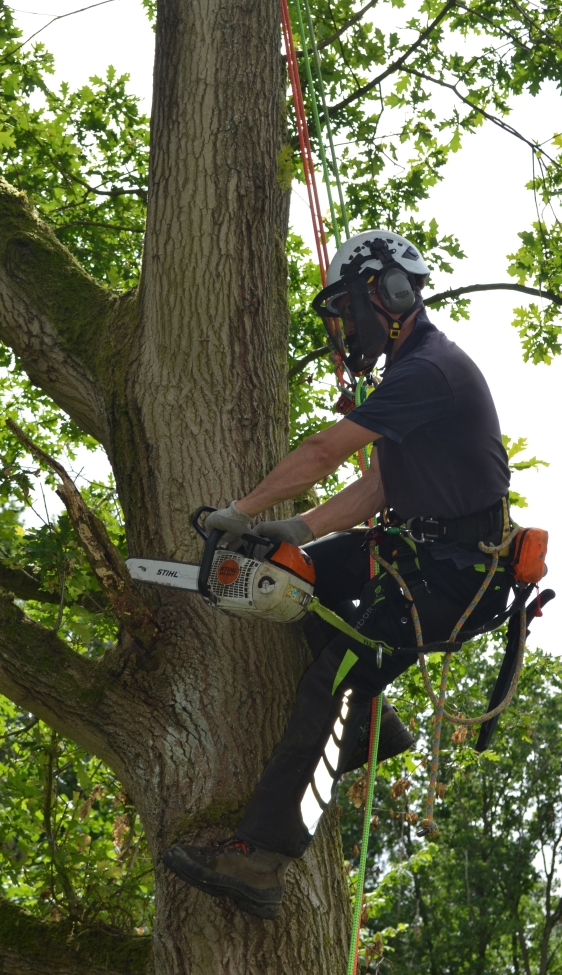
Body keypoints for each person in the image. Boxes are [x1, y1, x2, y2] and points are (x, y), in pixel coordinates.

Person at [163, 230, 512, 919]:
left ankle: (262, 858)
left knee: (335, 677)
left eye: (347, 309)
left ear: (390, 293)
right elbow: (375, 488)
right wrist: (292, 531)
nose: (343, 327)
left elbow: (326, 451)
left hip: (454, 576)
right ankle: (376, 724)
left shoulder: (427, 370)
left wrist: (242, 509)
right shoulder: (408, 375)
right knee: (297, 574)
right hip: (417, 554)